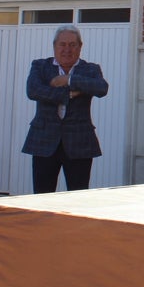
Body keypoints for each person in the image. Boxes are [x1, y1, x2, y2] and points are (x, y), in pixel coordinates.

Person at [22, 25, 109, 194]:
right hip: (44, 141)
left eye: (72, 44)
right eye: (62, 44)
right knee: (42, 196)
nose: (67, 49)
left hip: (80, 143)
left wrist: (68, 80)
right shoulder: (40, 66)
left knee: (77, 196)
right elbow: (33, 91)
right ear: (54, 46)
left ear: (80, 46)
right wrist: (69, 94)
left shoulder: (91, 69)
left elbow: (101, 88)